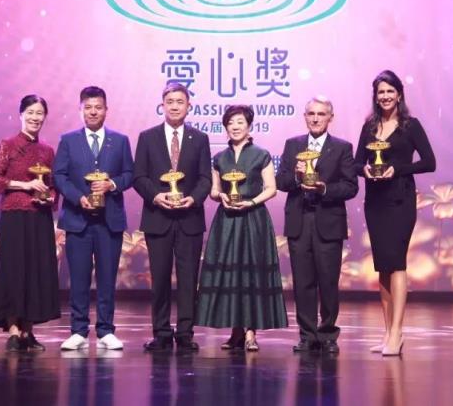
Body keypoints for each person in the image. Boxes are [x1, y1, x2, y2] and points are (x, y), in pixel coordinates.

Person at [355, 70, 436, 356]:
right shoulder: (369, 127)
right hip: (375, 202)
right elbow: (356, 163)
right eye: (381, 92)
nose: (386, 96)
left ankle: (398, 332)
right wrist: (366, 170)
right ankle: (388, 332)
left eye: (390, 91)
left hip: (400, 200)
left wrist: (396, 169)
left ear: (399, 94)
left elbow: (429, 162)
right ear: (375, 96)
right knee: (383, 267)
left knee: (397, 263)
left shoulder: (410, 126)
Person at [196, 105, 288, 351]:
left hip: (253, 218)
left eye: (240, 122)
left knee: (251, 273)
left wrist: (251, 202)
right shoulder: (219, 158)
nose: (235, 127)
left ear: (249, 126)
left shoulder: (261, 154)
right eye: (230, 122)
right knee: (231, 273)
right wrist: (221, 197)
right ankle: (236, 331)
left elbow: (271, 188)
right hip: (227, 220)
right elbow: (214, 190)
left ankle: (250, 332)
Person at [53, 86, 134, 351]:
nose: (93, 112)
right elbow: (59, 176)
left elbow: (129, 174)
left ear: (106, 110)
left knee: (107, 278)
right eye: (88, 107)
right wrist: (78, 198)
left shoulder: (120, 140)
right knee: (78, 277)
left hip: (110, 220)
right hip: (78, 220)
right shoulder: (68, 140)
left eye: (98, 107)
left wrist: (112, 184)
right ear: (80, 110)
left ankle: (105, 331)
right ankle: (78, 331)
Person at [276, 96, 358, 354]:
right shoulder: (293, 145)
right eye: (311, 113)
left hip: (328, 221)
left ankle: (328, 334)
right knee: (303, 282)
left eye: (321, 114)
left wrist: (325, 189)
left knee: (328, 281)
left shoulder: (342, 148)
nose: (315, 118)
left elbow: (351, 186)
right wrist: (297, 176)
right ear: (305, 116)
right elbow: (281, 181)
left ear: (330, 118)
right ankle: (307, 335)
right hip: (299, 221)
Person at [133, 83, 211, 352]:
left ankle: (186, 333)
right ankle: (162, 332)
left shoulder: (199, 138)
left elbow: (205, 178)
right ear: (162, 105)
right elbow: (139, 176)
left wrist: (193, 199)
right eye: (170, 101)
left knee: (189, 279)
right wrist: (156, 196)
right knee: (160, 278)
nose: (175, 106)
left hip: (190, 218)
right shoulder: (147, 137)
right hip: (158, 217)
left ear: (189, 106)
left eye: (180, 101)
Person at [0, 94, 60, 352]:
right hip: (14, 216)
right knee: (14, 270)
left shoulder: (47, 151)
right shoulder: (7, 145)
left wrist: (50, 197)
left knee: (35, 271)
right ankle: (13, 331)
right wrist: (25, 185)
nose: (35, 117)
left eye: (39, 113)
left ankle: (28, 330)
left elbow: (53, 186)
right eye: (30, 112)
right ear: (21, 114)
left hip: (39, 217)